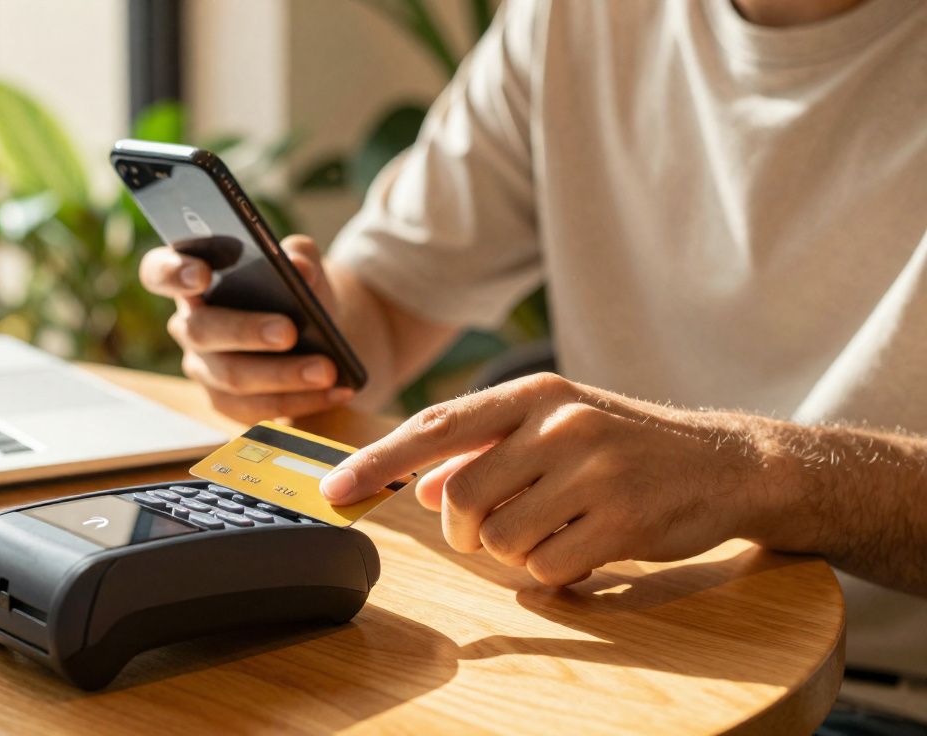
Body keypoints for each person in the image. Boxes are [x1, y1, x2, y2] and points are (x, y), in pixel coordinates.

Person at [139, 0, 926, 724]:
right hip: (600, 658)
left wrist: (756, 472)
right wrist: (293, 337)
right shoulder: (574, 18)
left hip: (876, 695)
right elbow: (381, 308)